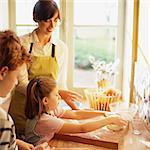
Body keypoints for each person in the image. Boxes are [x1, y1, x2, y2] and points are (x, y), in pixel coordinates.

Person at [9, 0, 82, 139]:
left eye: (56, 20)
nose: (52, 25)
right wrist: (57, 92)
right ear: (36, 17)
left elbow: (60, 83)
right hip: (22, 110)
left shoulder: (61, 48)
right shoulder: (22, 43)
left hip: (46, 113)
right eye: (48, 20)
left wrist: (77, 110)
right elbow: (21, 84)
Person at [25, 76, 127, 145]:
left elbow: (76, 114)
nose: (60, 97)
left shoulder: (49, 110)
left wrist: (104, 113)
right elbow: (82, 128)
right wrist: (109, 120)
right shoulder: (44, 120)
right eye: (56, 94)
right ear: (45, 100)